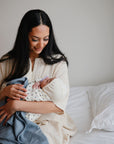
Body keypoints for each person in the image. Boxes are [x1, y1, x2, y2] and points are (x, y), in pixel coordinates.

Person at [0, 9, 76, 144]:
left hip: (48, 121)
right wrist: (4, 92)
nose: (41, 45)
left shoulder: (58, 63)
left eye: (45, 39)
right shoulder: (7, 62)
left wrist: (18, 105)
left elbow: (58, 107)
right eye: (35, 39)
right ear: (24, 36)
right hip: (13, 120)